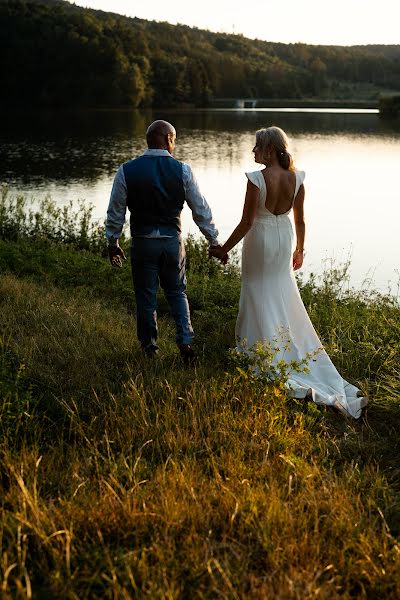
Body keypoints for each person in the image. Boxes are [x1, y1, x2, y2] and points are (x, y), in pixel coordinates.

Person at [210, 126, 367, 418]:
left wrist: (224, 249)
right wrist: (300, 250)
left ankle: (260, 350)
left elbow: (246, 222)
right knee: (279, 290)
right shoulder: (297, 178)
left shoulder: (256, 179)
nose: (253, 152)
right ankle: (281, 346)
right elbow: (302, 220)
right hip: (284, 239)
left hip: (260, 239)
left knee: (258, 291)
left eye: (257, 147)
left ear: (269, 150)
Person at [106, 119, 221, 363]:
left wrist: (112, 241)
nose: (175, 145)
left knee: (146, 296)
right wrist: (213, 240)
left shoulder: (127, 170)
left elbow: (116, 210)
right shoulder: (183, 170)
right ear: (168, 139)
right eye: (174, 140)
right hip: (171, 242)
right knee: (177, 292)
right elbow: (200, 209)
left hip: (143, 243)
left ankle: (150, 347)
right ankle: (185, 342)